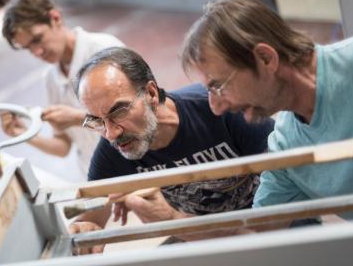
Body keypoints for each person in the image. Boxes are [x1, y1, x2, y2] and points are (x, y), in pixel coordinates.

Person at [70, 46, 274, 253]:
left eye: (119, 111)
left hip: (266, 228)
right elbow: (90, 218)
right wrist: (85, 230)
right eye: (97, 120)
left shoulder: (221, 110)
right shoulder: (115, 148)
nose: (111, 133)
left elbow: (282, 210)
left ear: (151, 93)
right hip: (198, 238)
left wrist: (171, 219)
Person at [180, 0, 353, 219]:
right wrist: (170, 218)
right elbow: (259, 233)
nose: (216, 107)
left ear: (265, 58)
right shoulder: (285, 147)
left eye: (219, 86)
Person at [0, 0, 124, 179]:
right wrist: (23, 132)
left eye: (37, 39)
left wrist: (78, 118)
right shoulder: (51, 79)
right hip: (94, 175)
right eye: (28, 48)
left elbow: (131, 123)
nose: (37, 52)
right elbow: (63, 147)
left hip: (130, 169)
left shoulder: (105, 50)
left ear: (55, 18)